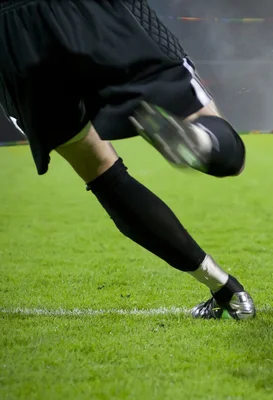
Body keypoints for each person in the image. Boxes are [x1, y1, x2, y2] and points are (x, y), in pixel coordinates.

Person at [0, 0, 256, 320]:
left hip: (13, 35)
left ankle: (224, 289)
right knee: (217, 138)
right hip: (91, 10)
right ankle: (200, 142)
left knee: (102, 174)